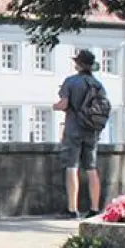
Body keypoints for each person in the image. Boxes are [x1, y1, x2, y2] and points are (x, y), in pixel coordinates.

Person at [54, 48, 106, 218]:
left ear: (79, 64)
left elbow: (63, 104)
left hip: (74, 129)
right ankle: (94, 208)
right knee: (91, 168)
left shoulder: (71, 82)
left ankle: (72, 208)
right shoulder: (97, 84)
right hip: (92, 130)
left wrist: (55, 106)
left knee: (72, 167)